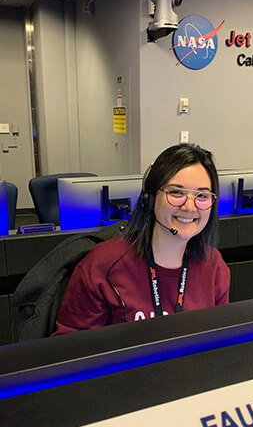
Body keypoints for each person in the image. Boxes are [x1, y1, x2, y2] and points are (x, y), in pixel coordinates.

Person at [53, 143, 230, 334]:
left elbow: (218, 341)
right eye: (176, 192)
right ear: (150, 198)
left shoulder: (214, 266)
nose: (189, 207)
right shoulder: (102, 265)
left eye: (202, 195)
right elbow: (70, 350)